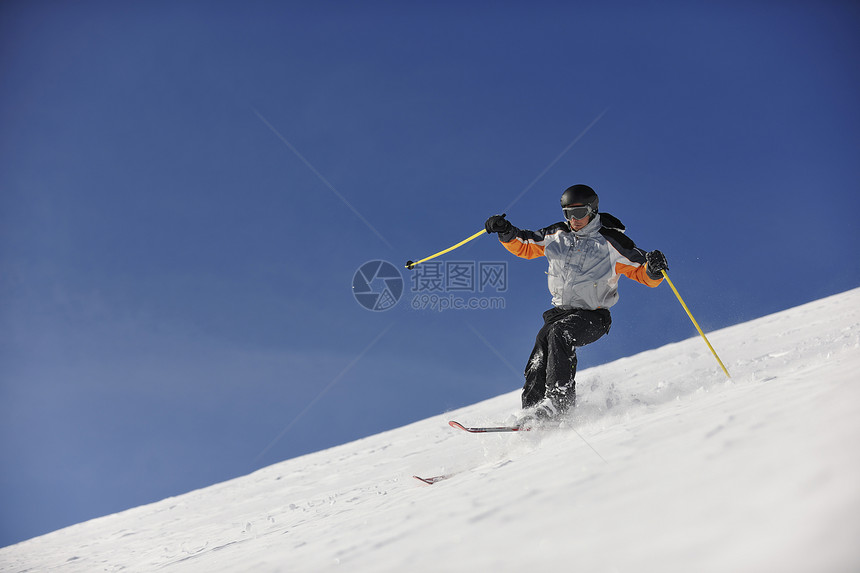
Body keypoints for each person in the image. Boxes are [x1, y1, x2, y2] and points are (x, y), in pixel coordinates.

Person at [485, 184, 668, 425]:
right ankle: (532, 410)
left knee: (561, 334)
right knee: (541, 351)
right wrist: (506, 231)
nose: (574, 219)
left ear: (592, 211)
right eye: (568, 214)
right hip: (558, 314)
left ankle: (559, 403)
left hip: (594, 316)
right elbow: (526, 245)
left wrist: (654, 270)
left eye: (579, 213)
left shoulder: (612, 242)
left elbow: (642, 272)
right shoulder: (556, 235)